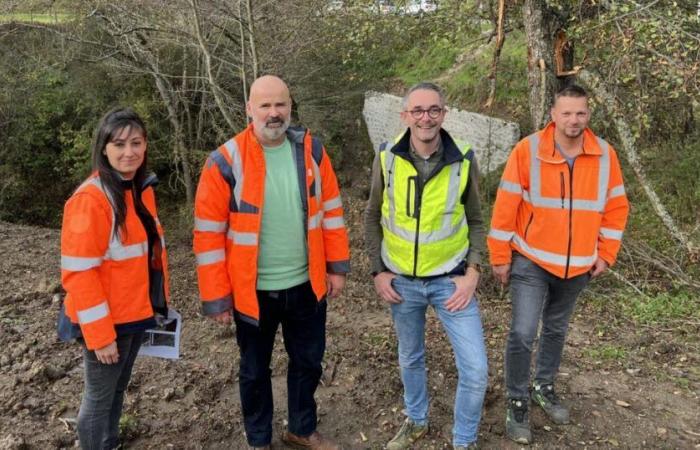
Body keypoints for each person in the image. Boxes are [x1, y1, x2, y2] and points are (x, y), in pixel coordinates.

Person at [193, 75, 350, 450]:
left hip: (306, 284)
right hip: (252, 292)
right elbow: (208, 236)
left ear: (290, 107)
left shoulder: (312, 152)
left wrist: (336, 267)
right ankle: (259, 440)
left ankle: (301, 428)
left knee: (309, 362)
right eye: (265, 105)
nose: (274, 113)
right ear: (249, 109)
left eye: (280, 104)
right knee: (253, 371)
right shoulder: (225, 161)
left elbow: (331, 211)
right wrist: (217, 297)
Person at [488, 84, 629, 444]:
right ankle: (517, 399)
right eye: (566, 113)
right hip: (531, 260)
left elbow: (615, 208)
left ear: (589, 115)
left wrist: (605, 253)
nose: (573, 120)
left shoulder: (605, 155)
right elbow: (505, 208)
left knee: (555, 329)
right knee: (522, 332)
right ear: (553, 114)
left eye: (580, 113)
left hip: (579, 265)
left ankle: (543, 386)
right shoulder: (528, 150)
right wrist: (500, 257)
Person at [364, 82, 488, 450]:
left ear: (444, 114)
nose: (426, 118)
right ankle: (416, 420)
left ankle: (464, 442)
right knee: (410, 357)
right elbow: (372, 216)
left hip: (452, 282)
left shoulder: (464, 158)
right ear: (405, 116)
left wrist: (473, 274)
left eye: (433, 110)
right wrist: (378, 270)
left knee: (476, 371)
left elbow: (478, 221)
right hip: (402, 283)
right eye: (417, 111)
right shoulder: (386, 156)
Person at [59, 107, 170, 449]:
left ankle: (110, 442)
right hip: (108, 323)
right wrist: (100, 335)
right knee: (97, 401)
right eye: (119, 143)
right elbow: (79, 274)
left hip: (134, 314)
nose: (129, 151)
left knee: (117, 389)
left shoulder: (138, 189)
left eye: (136, 142)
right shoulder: (91, 199)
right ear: (103, 148)